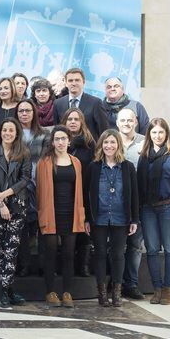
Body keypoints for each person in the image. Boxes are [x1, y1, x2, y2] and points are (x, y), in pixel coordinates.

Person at [84, 129, 139, 307]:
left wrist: (134, 219)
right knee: (99, 254)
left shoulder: (128, 167)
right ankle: (101, 294)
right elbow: (86, 195)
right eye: (106, 142)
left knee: (117, 254)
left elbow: (134, 195)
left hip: (121, 217)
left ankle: (116, 293)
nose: (109, 146)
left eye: (113, 142)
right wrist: (86, 218)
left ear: (118, 145)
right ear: (101, 145)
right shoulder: (93, 167)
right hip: (98, 218)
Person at [36, 125, 86, 308]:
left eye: (63, 138)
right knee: (50, 254)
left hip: (70, 214)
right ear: (52, 142)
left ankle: (67, 292)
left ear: (69, 141)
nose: (60, 142)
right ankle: (50, 292)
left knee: (68, 254)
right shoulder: (44, 162)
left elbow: (79, 190)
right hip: (51, 213)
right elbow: (40, 191)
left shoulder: (76, 162)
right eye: (57, 139)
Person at [138, 118, 170, 305]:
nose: (157, 136)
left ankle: (167, 289)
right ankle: (157, 289)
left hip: (168, 207)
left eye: (160, 132)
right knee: (151, 249)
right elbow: (139, 183)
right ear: (149, 134)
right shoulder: (144, 155)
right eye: (153, 132)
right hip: (148, 208)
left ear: (166, 134)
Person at [0, 118, 31, 308]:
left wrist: (5, 194)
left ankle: (5, 291)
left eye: (11, 130)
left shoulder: (24, 153)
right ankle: (8, 290)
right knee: (0, 250)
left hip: (17, 207)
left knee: (11, 250)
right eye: (5, 130)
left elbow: (25, 178)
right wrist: (1, 203)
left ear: (16, 133)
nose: (7, 133)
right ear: (0, 132)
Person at [15, 99, 51, 277]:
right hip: (19, 186)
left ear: (34, 113)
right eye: (21, 111)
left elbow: (45, 159)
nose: (24, 114)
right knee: (21, 227)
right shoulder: (12, 133)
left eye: (27, 110)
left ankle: (44, 266)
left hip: (40, 185)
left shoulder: (44, 134)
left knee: (42, 226)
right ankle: (24, 265)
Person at [116, 108, 146, 300]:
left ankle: (131, 284)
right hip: (114, 203)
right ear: (117, 122)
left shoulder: (144, 142)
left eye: (130, 120)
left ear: (135, 121)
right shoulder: (111, 140)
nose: (126, 123)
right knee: (116, 247)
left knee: (135, 245)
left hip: (138, 202)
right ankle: (115, 283)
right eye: (122, 120)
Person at [63, 107, 96, 277]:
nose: (73, 122)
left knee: (84, 228)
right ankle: (64, 266)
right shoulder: (59, 142)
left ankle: (83, 265)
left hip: (84, 192)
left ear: (82, 122)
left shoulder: (90, 143)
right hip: (64, 193)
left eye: (76, 119)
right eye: (70, 119)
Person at [53, 67, 109, 139]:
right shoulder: (58, 103)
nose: (74, 83)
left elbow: (104, 131)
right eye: (70, 80)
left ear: (83, 82)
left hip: (89, 148)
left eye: (77, 80)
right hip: (65, 149)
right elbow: (57, 130)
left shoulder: (96, 103)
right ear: (66, 83)